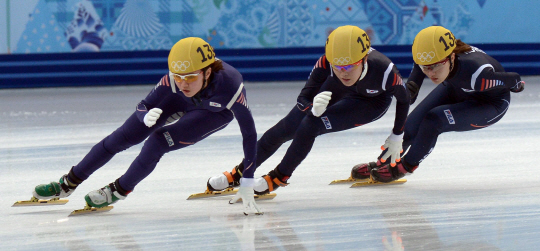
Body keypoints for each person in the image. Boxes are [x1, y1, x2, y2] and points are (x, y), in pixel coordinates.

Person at [32, 37, 262, 215]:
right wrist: (144, 116)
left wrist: (248, 178)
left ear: (208, 71)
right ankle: (68, 183)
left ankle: (119, 190)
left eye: (191, 77)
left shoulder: (230, 86)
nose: (183, 83)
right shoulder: (172, 83)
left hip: (212, 113)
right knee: (121, 137)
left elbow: (249, 133)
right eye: (177, 76)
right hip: (176, 103)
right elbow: (143, 105)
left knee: (157, 142)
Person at [207, 25, 410, 194]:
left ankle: (278, 177)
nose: (342, 71)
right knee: (283, 129)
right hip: (336, 91)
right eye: (337, 65)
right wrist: (313, 106)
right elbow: (303, 98)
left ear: (364, 59)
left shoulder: (384, 70)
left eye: (349, 66)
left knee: (312, 125)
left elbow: (404, 99)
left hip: (371, 102)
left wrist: (397, 135)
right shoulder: (326, 63)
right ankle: (240, 172)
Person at [352, 26, 525, 182]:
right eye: (425, 67)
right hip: (455, 88)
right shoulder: (428, 57)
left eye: (435, 66)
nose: (430, 73)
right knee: (410, 125)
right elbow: (411, 92)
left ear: (451, 57)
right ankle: (383, 161)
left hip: (490, 103)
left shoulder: (478, 75)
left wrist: (518, 88)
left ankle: (405, 166)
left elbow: (514, 79)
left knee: (434, 120)